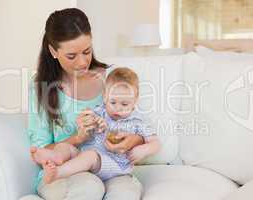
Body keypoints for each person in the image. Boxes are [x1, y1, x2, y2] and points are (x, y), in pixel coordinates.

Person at [27, 8, 145, 200]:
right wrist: (77, 138)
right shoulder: (41, 88)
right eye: (71, 56)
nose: (82, 62)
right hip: (64, 172)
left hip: (109, 168)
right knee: (89, 188)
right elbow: (40, 151)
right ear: (53, 51)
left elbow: (139, 128)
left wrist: (130, 140)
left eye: (87, 51)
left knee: (125, 193)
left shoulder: (112, 78)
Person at [31, 67, 161, 184]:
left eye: (124, 104)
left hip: (114, 164)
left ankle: (58, 173)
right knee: (65, 146)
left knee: (90, 156)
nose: (118, 109)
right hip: (84, 157)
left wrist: (143, 150)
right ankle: (57, 157)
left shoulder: (138, 120)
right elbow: (87, 117)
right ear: (104, 96)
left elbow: (155, 143)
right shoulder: (101, 111)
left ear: (135, 100)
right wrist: (91, 121)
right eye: (113, 102)